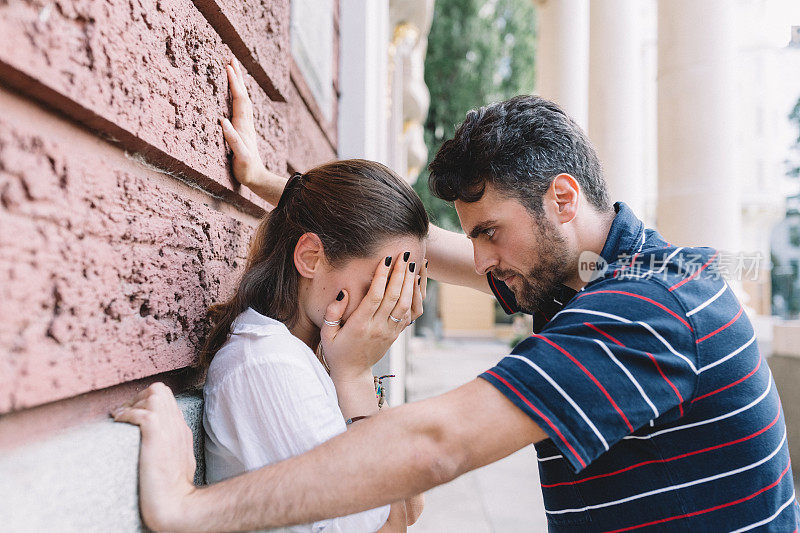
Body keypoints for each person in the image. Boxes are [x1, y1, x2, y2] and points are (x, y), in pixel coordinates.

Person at [112, 60, 800, 532]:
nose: (480, 261)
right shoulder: (599, 271)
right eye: (477, 237)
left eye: (492, 232)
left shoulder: (641, 309)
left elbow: (439, 444)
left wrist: (185, 506)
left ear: (562, 198)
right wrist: (282, 190)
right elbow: (414, 245)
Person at [201, 157, 428, 532]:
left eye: (405, 287)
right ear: (310, 258)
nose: (395, 308)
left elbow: (407, 506)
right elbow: (390, 522)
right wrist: (356, 374)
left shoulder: (316, 357)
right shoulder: (269, 365)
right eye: (382, 285)